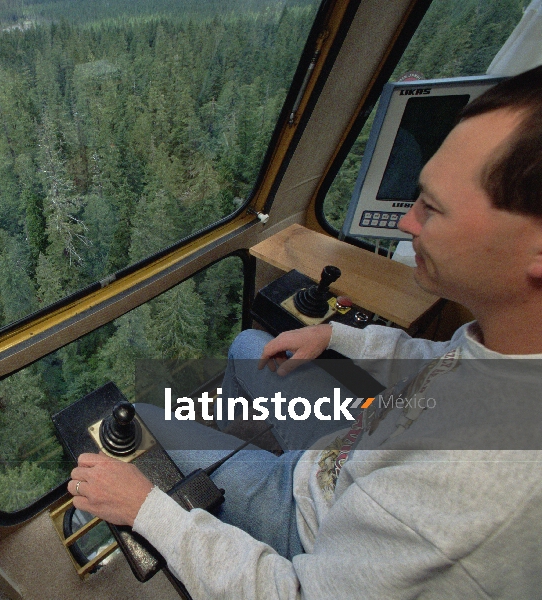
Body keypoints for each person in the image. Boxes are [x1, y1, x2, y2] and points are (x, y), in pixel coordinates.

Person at [68, 65, 542, 598]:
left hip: (306, 525)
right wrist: (337, 337)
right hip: (345, 457)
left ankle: (234, 497)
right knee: (250, 347)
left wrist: (150, 511)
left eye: (432, 207)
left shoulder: (480, 500)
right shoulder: (510, 340)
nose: (409, 222)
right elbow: (439, 358)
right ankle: (232, 456)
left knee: (140, 425)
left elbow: (292, 593)